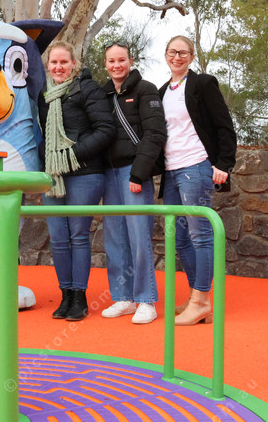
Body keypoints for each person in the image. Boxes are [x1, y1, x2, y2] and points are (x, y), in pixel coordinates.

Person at [158, 35, 237, 325]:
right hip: (171, 171)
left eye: (183, 52)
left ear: (191, 57)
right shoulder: (162, 91)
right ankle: (196, 296)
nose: (177, 57)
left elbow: (224, 125)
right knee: (179, 238)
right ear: (165, 55)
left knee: (200, 234)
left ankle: (202, 300)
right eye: (172, 52)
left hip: (196, 166)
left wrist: (224, 164)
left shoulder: (203, 84)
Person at [39, 42, 116, 321]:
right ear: (48, 65)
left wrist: (73, 155)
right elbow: (42, 135)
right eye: (54, 62)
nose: (59, 67)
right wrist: (47, 159)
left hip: (85, 173)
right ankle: (66, 296)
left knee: (78, 235)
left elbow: (105, 129)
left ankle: (79, 298)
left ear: (74, 63)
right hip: (53, 175)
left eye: (64, 62)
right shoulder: (44, 95)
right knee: (58, 239)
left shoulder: (88, 89)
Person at [101, 41, 167, 324]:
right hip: (109, 173)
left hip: (134, 172)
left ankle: (146, 300)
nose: (117, 65)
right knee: (115, 238)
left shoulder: (145, 89)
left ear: (130, 61)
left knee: (139, 237)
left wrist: (138, 174)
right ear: (105, 64)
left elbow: (155, 134)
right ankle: (123, 297)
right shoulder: (102, 94)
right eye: (111, 61)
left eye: (121, 60)